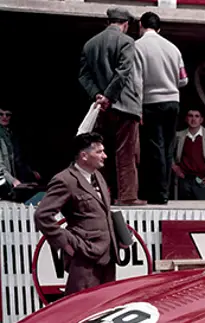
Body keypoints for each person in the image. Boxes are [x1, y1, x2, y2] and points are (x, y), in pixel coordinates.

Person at [34, 133, 123, 295]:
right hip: (84, 258)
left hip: (108, 258)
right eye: (99, 152)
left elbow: (103, 212)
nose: (105, 156)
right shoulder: (65, 180)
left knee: (106, 310)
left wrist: (119, 238)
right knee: (82, 309)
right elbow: (42, 215)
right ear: (84, 156)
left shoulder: (98, 176)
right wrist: (67, 244)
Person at [78, 6, 145, 206]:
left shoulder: (90, 44)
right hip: (124, 106)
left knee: (100, 153)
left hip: (101, 108)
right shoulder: (126, 42)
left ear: (108, 22)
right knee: (126, 153)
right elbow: (124, 72)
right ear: (125, 24)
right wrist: (109, 96)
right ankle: (127, 196)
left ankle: (102, 195)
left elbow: (84, 75)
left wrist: (98, 95)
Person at [135, 11, 188, 204]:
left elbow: (136, 81)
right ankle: (164, 191)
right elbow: (183, 79)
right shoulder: (173, 48)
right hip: (173, 101)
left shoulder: (137, 47)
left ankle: (157, 193)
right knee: (167, 147)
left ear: (140, 25)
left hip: (150, 102)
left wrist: (137, 108)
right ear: (159, 28)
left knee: (154, 148)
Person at [0, 103, 43, 203]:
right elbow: (0, 166)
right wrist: (13, 181)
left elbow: (18, 160)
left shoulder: (10, 134)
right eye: (1, 114)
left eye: (7, 114)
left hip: (11, 187)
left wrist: (30, 172)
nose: (4, 117)